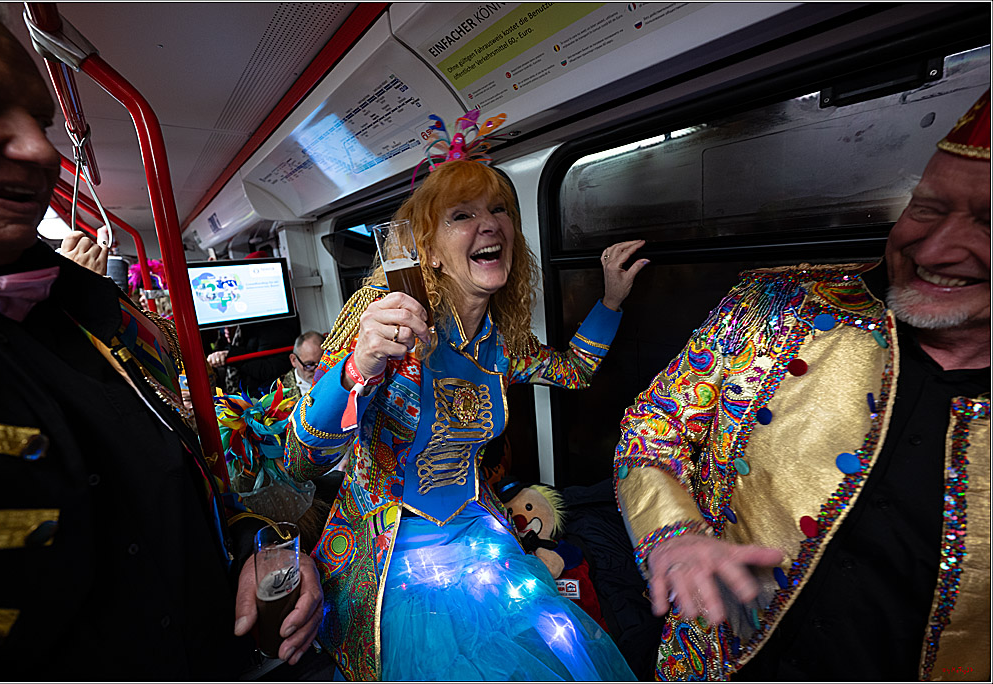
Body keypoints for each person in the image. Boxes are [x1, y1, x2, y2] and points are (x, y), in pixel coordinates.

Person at [0, 5, 322, 678]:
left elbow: (169, 489)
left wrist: (249, 549)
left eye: (42, 122)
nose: (42, 151)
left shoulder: (85, 312)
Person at [614, 90, 990, 681]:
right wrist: (673, 533)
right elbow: (651, 424)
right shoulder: (775, 311)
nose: (937, 248)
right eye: (927, 208)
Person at [285, 154, 647, 680]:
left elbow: (574, 370)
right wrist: (358, 365)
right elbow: (301, 461)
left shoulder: (500, 346)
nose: (489, 223)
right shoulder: (385, 323)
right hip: (394, 557)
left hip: (482, 535)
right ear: (427, 250)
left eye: (499, 209)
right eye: (462, 215)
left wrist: (610, 301)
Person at [280, 330, 325, 396]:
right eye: (309, 365)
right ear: (293, 360)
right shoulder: (279, 393)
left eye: (322, 363)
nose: (317, 370)